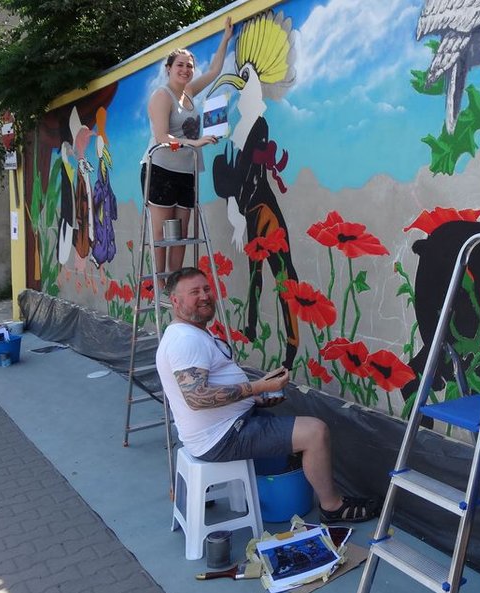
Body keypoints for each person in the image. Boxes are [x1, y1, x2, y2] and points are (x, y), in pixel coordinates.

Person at [155, 267, 380, 523]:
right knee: (316, 432)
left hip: (223, 427)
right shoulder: (185, 340)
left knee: (294, 422)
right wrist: (258, 387)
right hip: (223, 437)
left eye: (206, 289)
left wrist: (254, 398)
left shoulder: (190, 332)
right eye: (194, 292)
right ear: (175, 301)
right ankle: (332, 506)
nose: (205, 296)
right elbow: (197, 398)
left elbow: (207, 388)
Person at [142, 17, 232, 278]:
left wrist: (225, 38)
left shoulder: (190, 92)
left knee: (181, 233)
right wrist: (193, 143)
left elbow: (214, 71)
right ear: (168, 68)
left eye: (189, 66)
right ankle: (158, 286)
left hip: (187, 170)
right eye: (180, 65)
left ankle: (175, 285)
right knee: (161, 234)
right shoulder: (162, 95)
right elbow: (161, 137)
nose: (185, 70)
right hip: (160, 169)